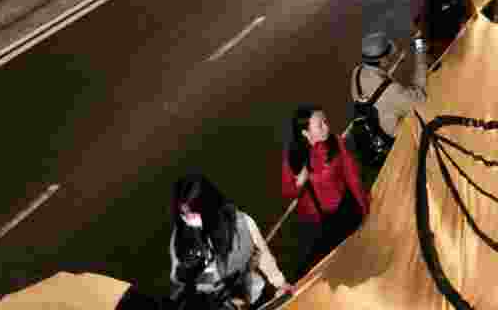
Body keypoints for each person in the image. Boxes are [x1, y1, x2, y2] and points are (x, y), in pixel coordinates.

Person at [169, 175, 293, 309]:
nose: (188, 219)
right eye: (183, 214)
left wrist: (280, 283)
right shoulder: (181, 239)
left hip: (255, 298)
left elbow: (262, 254)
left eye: (193, 214)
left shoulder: (241, 223)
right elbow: (181, 280)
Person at [282, 106, 369, 277]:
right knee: (318, 270)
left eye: (325, 121)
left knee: (355, 258)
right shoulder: (294, 156)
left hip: (346, 209)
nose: (326, 127)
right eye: (320, 125)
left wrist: (363, 207)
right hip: (319, 223)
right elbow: (288, 192)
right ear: (305, 133)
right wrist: (300, 180)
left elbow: (352, 176)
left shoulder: (335, 142)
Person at [351, 31, 428, 141]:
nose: (391, 56)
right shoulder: (392, 91)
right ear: (383, 60)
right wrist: (420, 49)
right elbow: (420, 98)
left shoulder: (357, 71)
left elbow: (378, 84)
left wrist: (397, 63)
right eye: (389, 55)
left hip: (373, 129)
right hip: (398, 140)